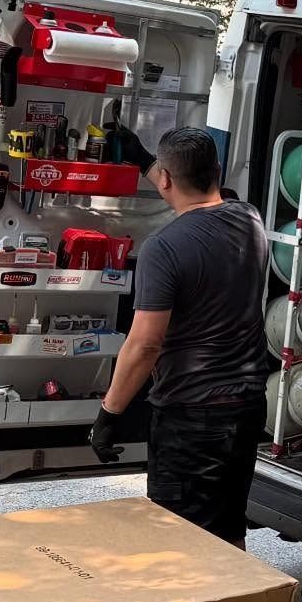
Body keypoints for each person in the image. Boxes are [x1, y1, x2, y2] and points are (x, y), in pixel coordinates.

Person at [89, 127, 270, 547]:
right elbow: (195, 187)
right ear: (218, 171)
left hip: (193, 418)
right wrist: (145, 161)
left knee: (181, 541)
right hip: (245, 409)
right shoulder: (250, 218)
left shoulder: (164, 248)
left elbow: (145, 345)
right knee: (226, 529)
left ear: (167, 181)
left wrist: (108, 415)